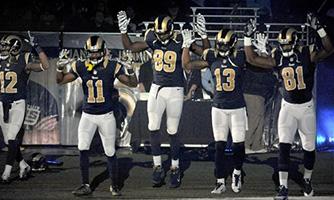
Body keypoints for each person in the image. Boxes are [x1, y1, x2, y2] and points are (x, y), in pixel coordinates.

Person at [243, 13, 333, 200]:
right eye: (281, 44)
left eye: (286, 44)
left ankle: (307, 179)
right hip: (288, 108)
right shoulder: (277, 56)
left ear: (295, 42)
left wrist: (320, 30)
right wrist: (247, 37)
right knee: (284, 147)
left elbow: (330, 49)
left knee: (309, 148)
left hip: (306, 108)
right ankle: (282, 187)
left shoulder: (307, 53)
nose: (283, 48)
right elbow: (252, 59)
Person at [117, 10, 209, 188]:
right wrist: (123, 31)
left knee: (172, 130)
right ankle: (157, 165)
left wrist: (203, 35)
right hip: (157, 88)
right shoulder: (152, 39)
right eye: (158, 33)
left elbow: (205, 52)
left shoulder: (181, 39)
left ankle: (175, 167)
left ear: (171, 30)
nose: (160, 36)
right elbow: (130, 47)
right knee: (153, 127)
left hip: (175, 89)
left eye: (163, 33)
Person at [56, 35, 137, 196]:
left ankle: (114, 185)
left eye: (96, 52)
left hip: (106, 116)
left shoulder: (112, 66)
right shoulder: (80, 66)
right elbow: (61, 80)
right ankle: (85, 184)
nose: (93, 56)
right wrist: (59, 68)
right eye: (91, 53)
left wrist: (130, 69)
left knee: (110, 151)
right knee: (83, 148)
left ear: (103, 51)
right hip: (88, 115)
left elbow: (132, 83)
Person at [182, 28, 248, 194]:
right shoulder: (212, 57)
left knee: (239, 146)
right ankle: (219, 181)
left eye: (225, 45)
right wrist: (186, 45)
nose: (222, 48)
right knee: (219, 146)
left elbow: (253, 58)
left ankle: (237, 173)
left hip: (237, 107)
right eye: (220, 45)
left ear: (233, 44)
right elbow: (188, 64)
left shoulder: (239, 57)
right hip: (218, 108)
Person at [0, 32, 50, 183]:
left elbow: (46, 65)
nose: (2, 49)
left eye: (6, 47)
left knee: (12, 139)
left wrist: (36, 47)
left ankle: (6, 173)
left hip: (18, 104)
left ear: (15, 48)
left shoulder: (24, 60)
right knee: (9, 142)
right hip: (3, 103)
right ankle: (23, 165)